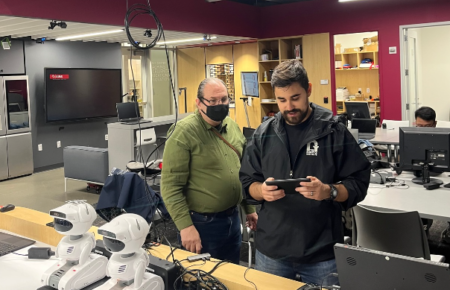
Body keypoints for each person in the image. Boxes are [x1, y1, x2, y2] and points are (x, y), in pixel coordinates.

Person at [239, 60, 371, 285]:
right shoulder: (264, 133)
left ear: (308, 90)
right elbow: (247, 181)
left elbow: (359, 182)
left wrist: (329, 191)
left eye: (295, 98)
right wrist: (261, 191)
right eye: (281, 100)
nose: (288, 106)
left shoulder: (333, 130)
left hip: (321, 253)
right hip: (272, 250)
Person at [161, 77, 257, 264]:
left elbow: (243, 172)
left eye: (223, 99)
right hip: (202, 224)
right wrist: (185, 227)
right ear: (199, 103)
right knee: (202, 279)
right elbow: (170, 186)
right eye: (212, 101)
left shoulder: (232, 127)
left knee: (231, 274)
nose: (219, 105)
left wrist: (249, 208)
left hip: (232, 218)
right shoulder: (183, 132)